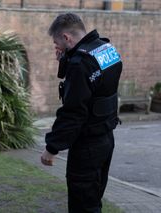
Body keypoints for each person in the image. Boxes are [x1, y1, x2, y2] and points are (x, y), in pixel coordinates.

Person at [41, 13, 122, 212]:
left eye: (56, 42)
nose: (56, 48)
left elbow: (73, 112)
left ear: (67, 37)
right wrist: (66, 60)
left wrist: (51, 148)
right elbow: (95, 87)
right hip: (106, 137)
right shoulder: (105, 49)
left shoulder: (80, 63)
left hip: (87, 146)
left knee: (83, 204)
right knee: (94, 199)